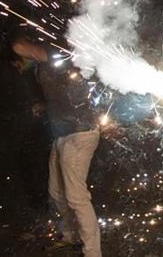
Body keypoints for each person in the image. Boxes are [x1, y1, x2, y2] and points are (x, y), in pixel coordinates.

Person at [12, 38, 102, 257]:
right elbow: (63, 95)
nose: (19, 63)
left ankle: (93, 253)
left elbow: (19, 46)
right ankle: (71, 237)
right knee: (56, 192)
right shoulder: (44, 67)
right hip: (62, 135)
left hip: (80, 134)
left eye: (21, 61)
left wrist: (20, 42)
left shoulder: (54, 54)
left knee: (76, 197)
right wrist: (44, 106)